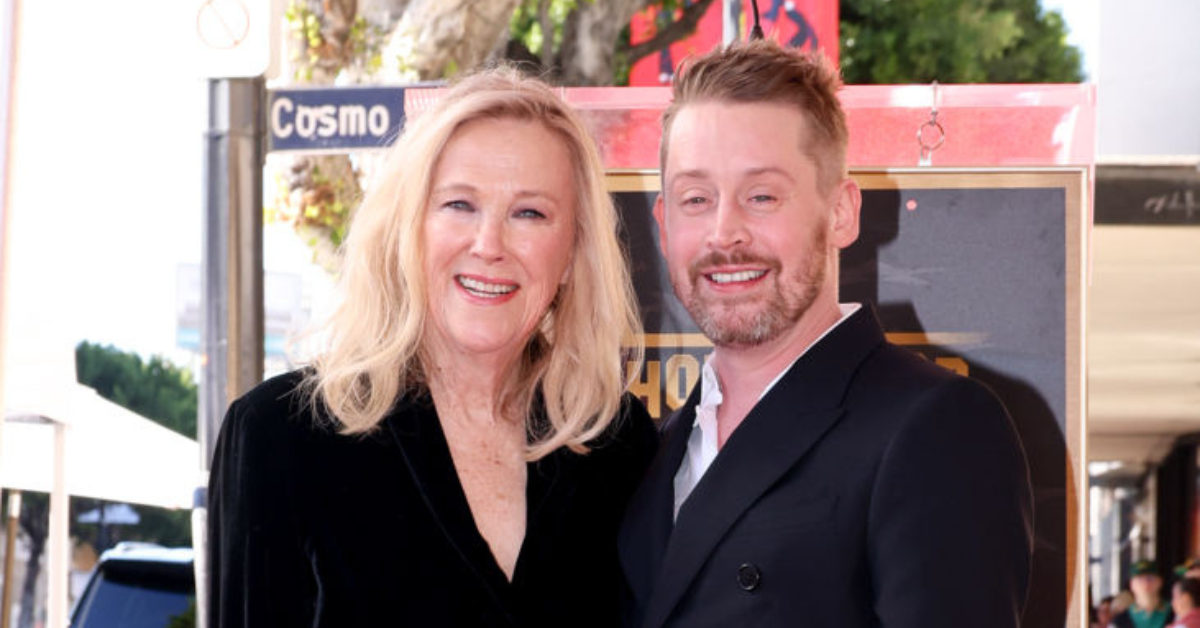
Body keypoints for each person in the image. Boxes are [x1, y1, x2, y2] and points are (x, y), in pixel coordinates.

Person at [207, 67, 656, 628]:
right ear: (407, 228)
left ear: (571, 255)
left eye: (530, 213)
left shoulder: (615, 443)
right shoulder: (280, 436)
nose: (489, 244)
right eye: (459, 205)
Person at [617, 39, 1034, 628]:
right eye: (696, 198)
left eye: (761, 195)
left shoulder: (934, 426)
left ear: (841, 211)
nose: (724, 232)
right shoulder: (651, 453)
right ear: (663, 225)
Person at [1114, 560, 1174, 628]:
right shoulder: (1120, 620)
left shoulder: (1174, 614)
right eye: (1140, 579)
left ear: (1160, 582)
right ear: (1131, 584)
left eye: (1150, 579)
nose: (1146, 584)